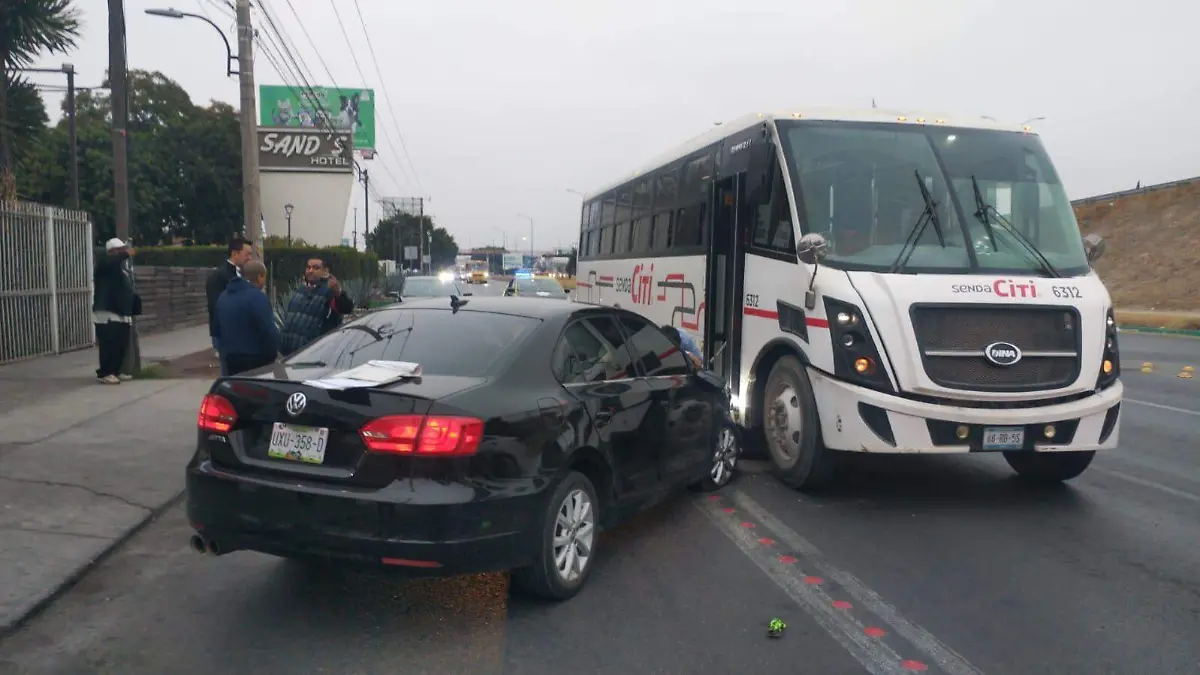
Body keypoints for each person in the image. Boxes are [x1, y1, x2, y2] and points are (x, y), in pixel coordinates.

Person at [278, 256, 355, 356]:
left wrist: (338, 293)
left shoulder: (330, 293)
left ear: (325, 271)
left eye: (316, 268)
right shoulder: (300, 290)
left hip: (313, 355)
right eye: (308, 267)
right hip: (290, 355)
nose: (311, 271)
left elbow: (346, 308)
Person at [214, 260, 279, 375]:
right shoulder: (258, 298)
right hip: (256, 362)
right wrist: (272, 356)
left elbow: (216, 330)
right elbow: (268, 331)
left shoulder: (223, 296)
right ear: (260, 277)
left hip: (230, 361)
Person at [92, 238, 140, 384]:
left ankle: (116, 371)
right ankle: (106, 372)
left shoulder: (122, 269)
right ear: (112, 251)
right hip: (107, 312)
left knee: (121, 343)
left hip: (120, 312)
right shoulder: (104, 264)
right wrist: (127, 252)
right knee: (109, 344)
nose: (123, 252)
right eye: (119, 249)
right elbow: (113, 261)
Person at [206, 238, 252, 375]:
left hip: (241, 333)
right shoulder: (218, 277)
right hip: (226, 333)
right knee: (229, 373)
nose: (249, 258)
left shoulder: (244, 274)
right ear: (235, 253)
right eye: (247, 254)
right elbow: (216, 307)